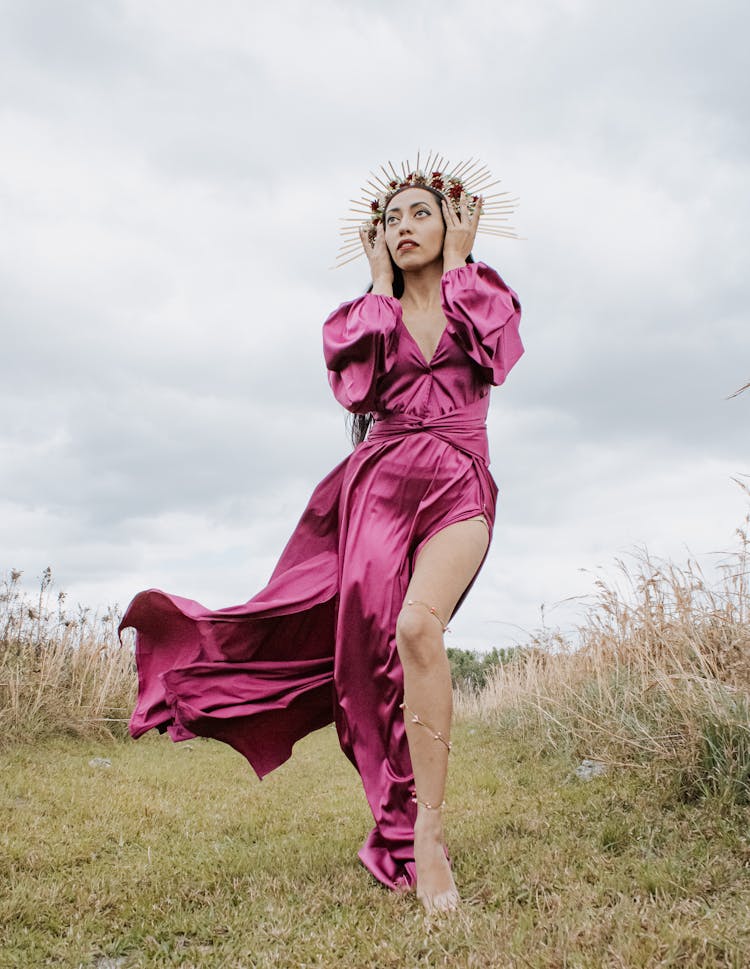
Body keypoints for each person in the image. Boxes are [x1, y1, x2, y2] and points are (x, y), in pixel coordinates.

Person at [120, 159, 524, 915]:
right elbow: (359, 388)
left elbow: (497, 357)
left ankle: (429, 838)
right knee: (367, 663)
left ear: (451, 224)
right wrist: (378, 286)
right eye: (392, 217)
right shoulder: (363, 315)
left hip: (460, 480)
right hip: (378, 486)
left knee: (416, 624)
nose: (405, 225)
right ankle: (395, 816)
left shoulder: (485, 294)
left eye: (420, 213)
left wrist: (464, 264)